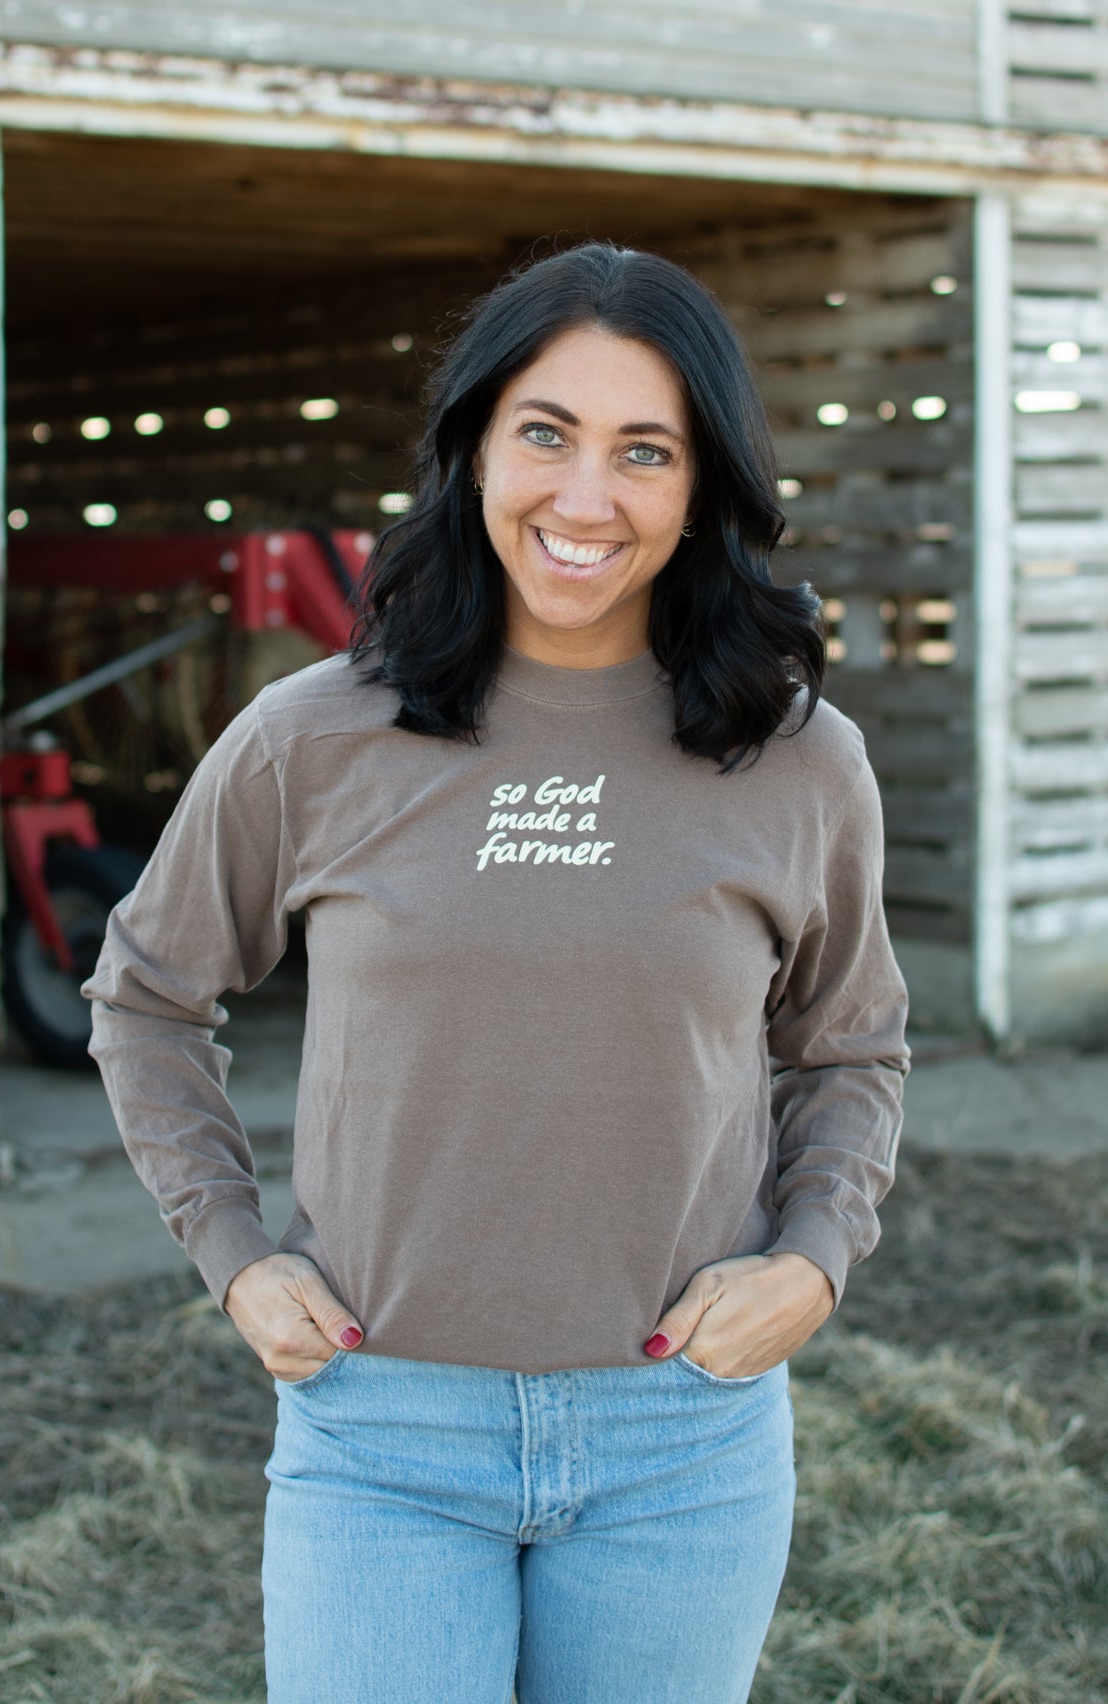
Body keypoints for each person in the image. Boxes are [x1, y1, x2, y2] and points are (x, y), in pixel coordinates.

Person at [82, 241, 910, 1704]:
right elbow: (149, 994)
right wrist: (232, 1252)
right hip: (382, 1435)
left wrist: (813, 1260)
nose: (584, 499)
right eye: (546, 433)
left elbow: (848, 1048)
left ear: (705, 486)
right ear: (471, 448)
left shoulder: (795, 760)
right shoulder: (317, 734)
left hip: (684, 1442)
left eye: (644, 451)